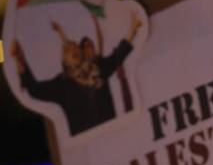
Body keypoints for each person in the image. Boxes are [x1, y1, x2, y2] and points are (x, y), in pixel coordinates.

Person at [11, 13, 142, 136]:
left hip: (113, 135)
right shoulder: (61, 85)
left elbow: (118, 56)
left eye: (75, 47)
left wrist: (133, 27)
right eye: (68, 50)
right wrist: (20, 58)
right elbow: (35, 90)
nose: (73, 49)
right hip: (88, 148)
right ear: (64, 60)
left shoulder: (97, 69)